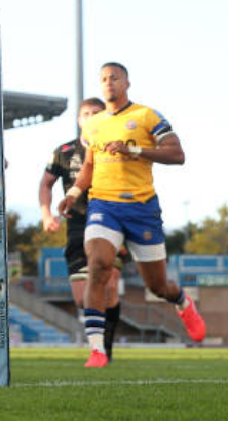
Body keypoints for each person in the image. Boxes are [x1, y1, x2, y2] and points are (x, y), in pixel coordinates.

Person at [59, 62, 206, 368]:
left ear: (126, 83)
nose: (109, 82)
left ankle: (182, 301)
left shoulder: (146, 116)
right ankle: (97, 349)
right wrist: (73, 193)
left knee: (157, 286)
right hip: (103, 206)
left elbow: (177, 154)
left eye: (114, 77)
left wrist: (134, 151)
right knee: (97, 267)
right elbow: (89, 166)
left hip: (142, 209)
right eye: (103, 79)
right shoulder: (93, 124)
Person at [40, 97, 125, 359]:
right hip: (77, 226)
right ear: (79, 120)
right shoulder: (63, 151)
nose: (90, 117)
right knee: (82, 297)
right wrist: (46, 215)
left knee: (107, 287)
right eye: (85, 113)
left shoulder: (117, 147)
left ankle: (101, 348)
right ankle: (100, 343)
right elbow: (46, 183)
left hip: (112, 222)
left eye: (96, 113)